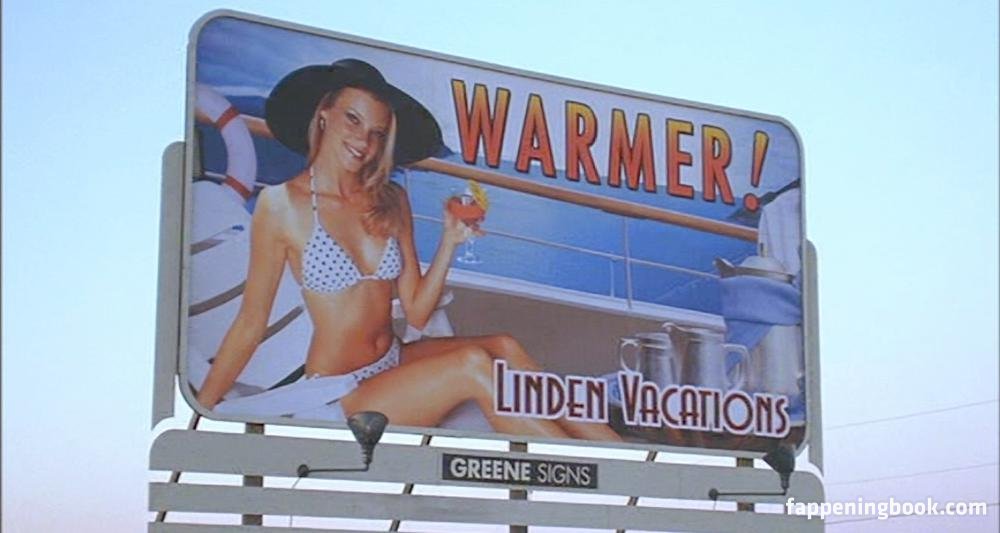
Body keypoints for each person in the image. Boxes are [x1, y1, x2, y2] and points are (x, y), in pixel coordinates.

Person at [195, 59, 619, 441]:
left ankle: (618, 457)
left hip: (393, 360)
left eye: (377, 133)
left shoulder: (390, 199)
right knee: (472, 364)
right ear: (324, 115)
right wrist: (203, 410)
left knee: (504, 346)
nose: (363, 141)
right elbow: (251, 323)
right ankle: (584, 473)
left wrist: (449, 241)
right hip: (340, 392)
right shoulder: (281, 205)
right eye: (352, 120)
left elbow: (416, 312)